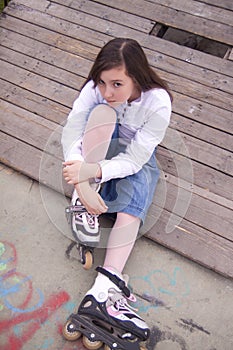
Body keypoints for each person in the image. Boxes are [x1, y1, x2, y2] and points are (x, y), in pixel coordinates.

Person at [61, 38, 172, 345]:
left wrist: (92, 172)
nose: (107, 91)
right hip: (96, 145)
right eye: (102, 82)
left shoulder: (158, 102)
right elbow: (72, 129)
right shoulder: (97, 91)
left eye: (117, 84)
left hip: (131, 157)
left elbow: (136, 158)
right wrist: (83, 183)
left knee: (140, 189)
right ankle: (83, 202)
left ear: (137, 77)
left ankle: (105, 285)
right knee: (102, 113)